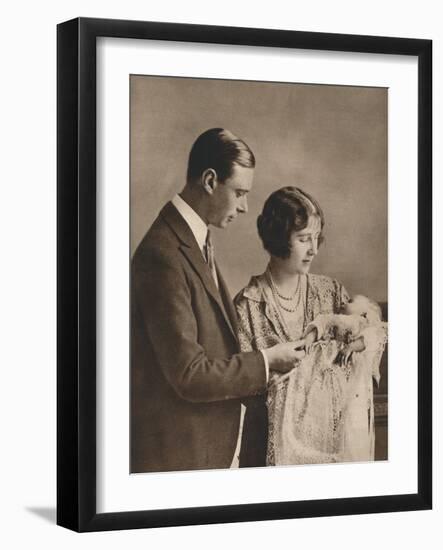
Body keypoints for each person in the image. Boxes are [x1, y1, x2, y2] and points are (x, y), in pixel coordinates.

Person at [131, 129, 304, 473]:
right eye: (239, 193)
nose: (244, 207)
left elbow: (213, 347)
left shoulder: (193, 239)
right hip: (178, 459)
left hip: (204, 449)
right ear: (210, 180)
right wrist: (265, 362)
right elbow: (189, 374)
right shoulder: (162, 253)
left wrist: (267, 371)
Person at [235, 186, 387, 467]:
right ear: (279, 237)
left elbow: (372, 332)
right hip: (269, 450)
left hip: (334, 446)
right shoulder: (248, 305)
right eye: (304, 239)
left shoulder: (331, 292)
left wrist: (361, 343)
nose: (314, 250)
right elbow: (242, 384)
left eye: (317, 238)